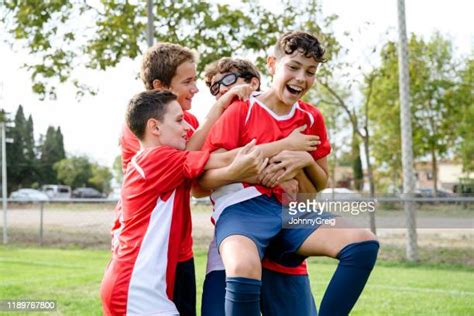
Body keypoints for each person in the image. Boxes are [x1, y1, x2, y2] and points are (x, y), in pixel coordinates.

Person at [199, 31, 379, 316]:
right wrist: (261, 163)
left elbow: (316, 186)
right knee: (243, 266)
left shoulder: (311, 118)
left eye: (310, 72)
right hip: (243, 210)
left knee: (363, 243)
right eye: (293, 67)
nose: (300, 78)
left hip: (289, 210)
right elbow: (207, 168)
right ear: (272, 64)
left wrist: (304, 159)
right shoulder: (241, 111)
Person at [100, 90, 267, 315]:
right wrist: (288, 145)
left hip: (136, 285)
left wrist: (218, 107)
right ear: (155, 127)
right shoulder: (157, 159)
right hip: (134, 289)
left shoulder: (155, 161)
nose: (187, 128)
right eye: (179, 121)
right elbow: (225, 159)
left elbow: (193, 149)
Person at [111, 42, 246, 315]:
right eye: (188, 81)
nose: (196, 88)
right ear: (160, 86)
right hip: (147, 251)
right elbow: (194, 165)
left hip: (179, 247)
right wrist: (220, 108)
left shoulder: (189, 122)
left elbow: (206, 167)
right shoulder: (139, 129)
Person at [200, 57, 317, 316]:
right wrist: (256, 173)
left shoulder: (283, 118)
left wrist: (297, 161)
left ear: (254, 83)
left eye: (228, 80)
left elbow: (303, 192)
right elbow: (198, 184)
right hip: (233, 241)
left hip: (279, 242)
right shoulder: (215, 127)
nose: (220, 88)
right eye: (214, 86)